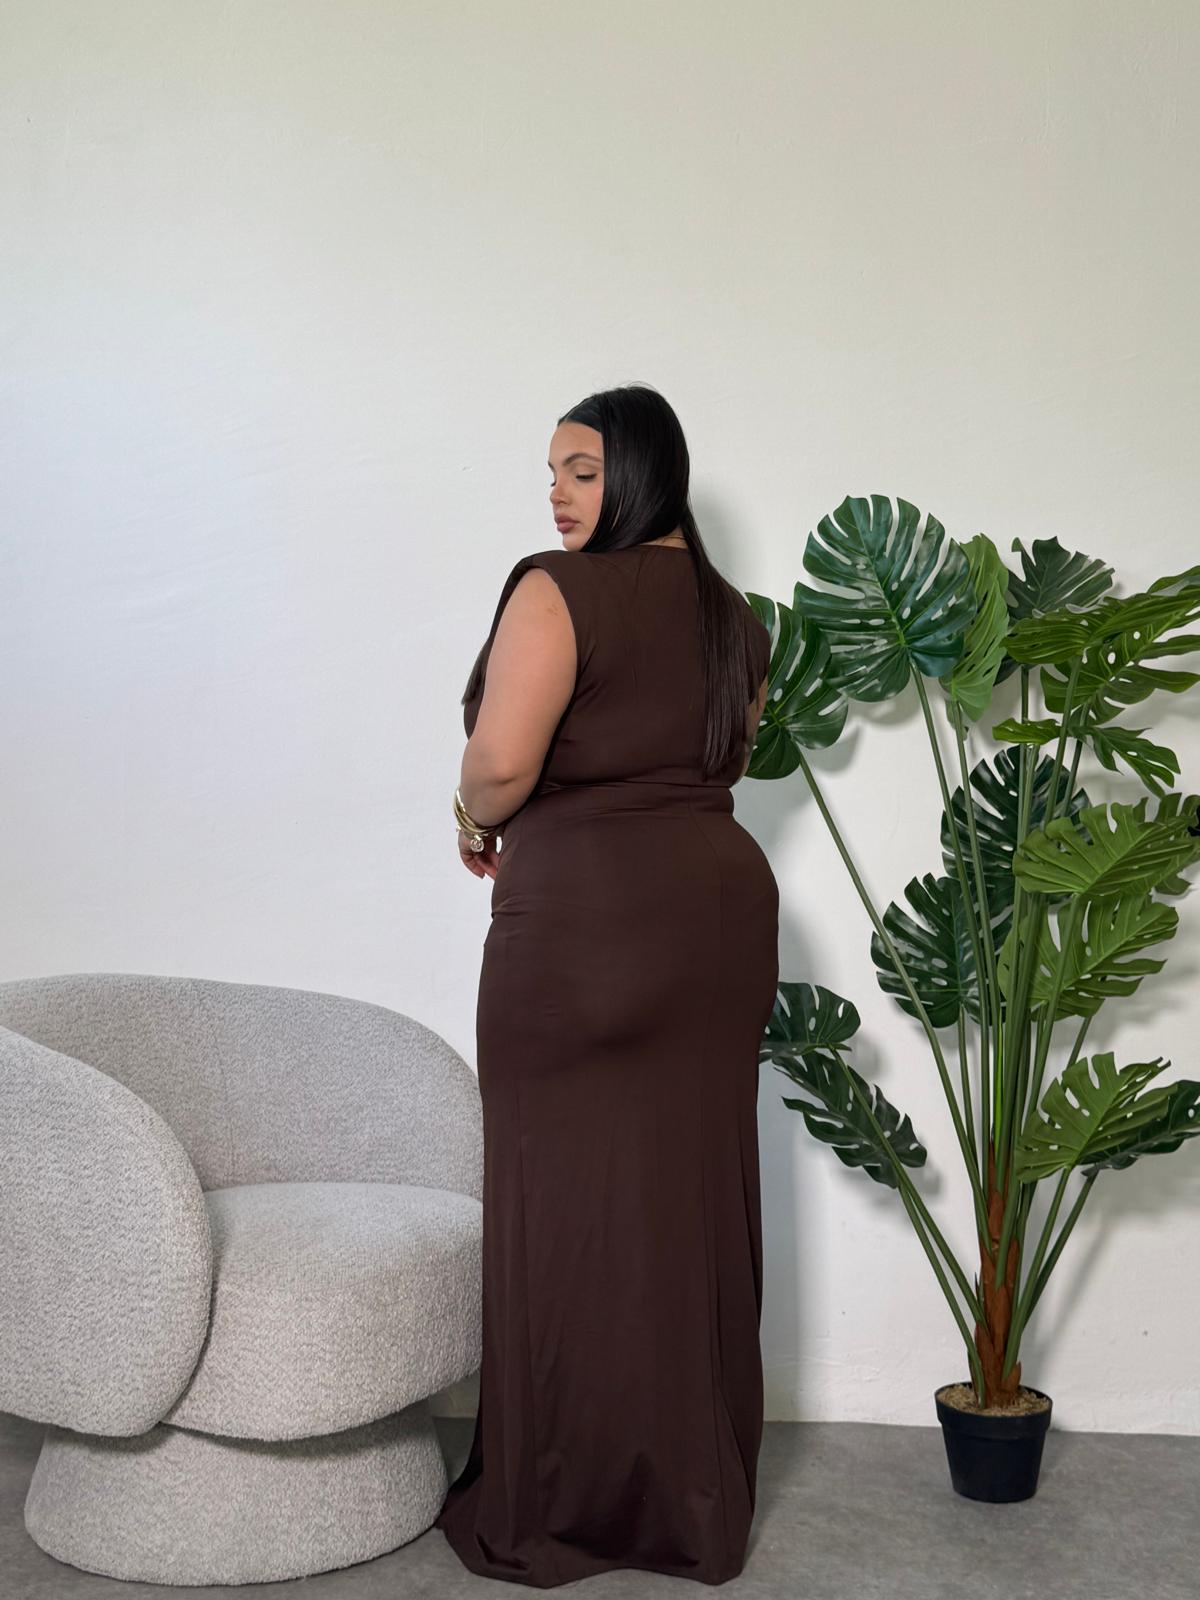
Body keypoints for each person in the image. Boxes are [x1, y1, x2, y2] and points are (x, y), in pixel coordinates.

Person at [436, 383, 779, 1587]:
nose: (558, 494)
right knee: (688, 1201)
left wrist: (469, 816)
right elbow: (726, 753)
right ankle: (687, 1503)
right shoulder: (736, 620)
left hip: (583, 922)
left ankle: (559, 1504)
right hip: (718, 918)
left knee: (557, 1200)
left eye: (582, 470)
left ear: (642, 471)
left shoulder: (556, 589)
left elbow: (502, 762)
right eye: (552, 473)